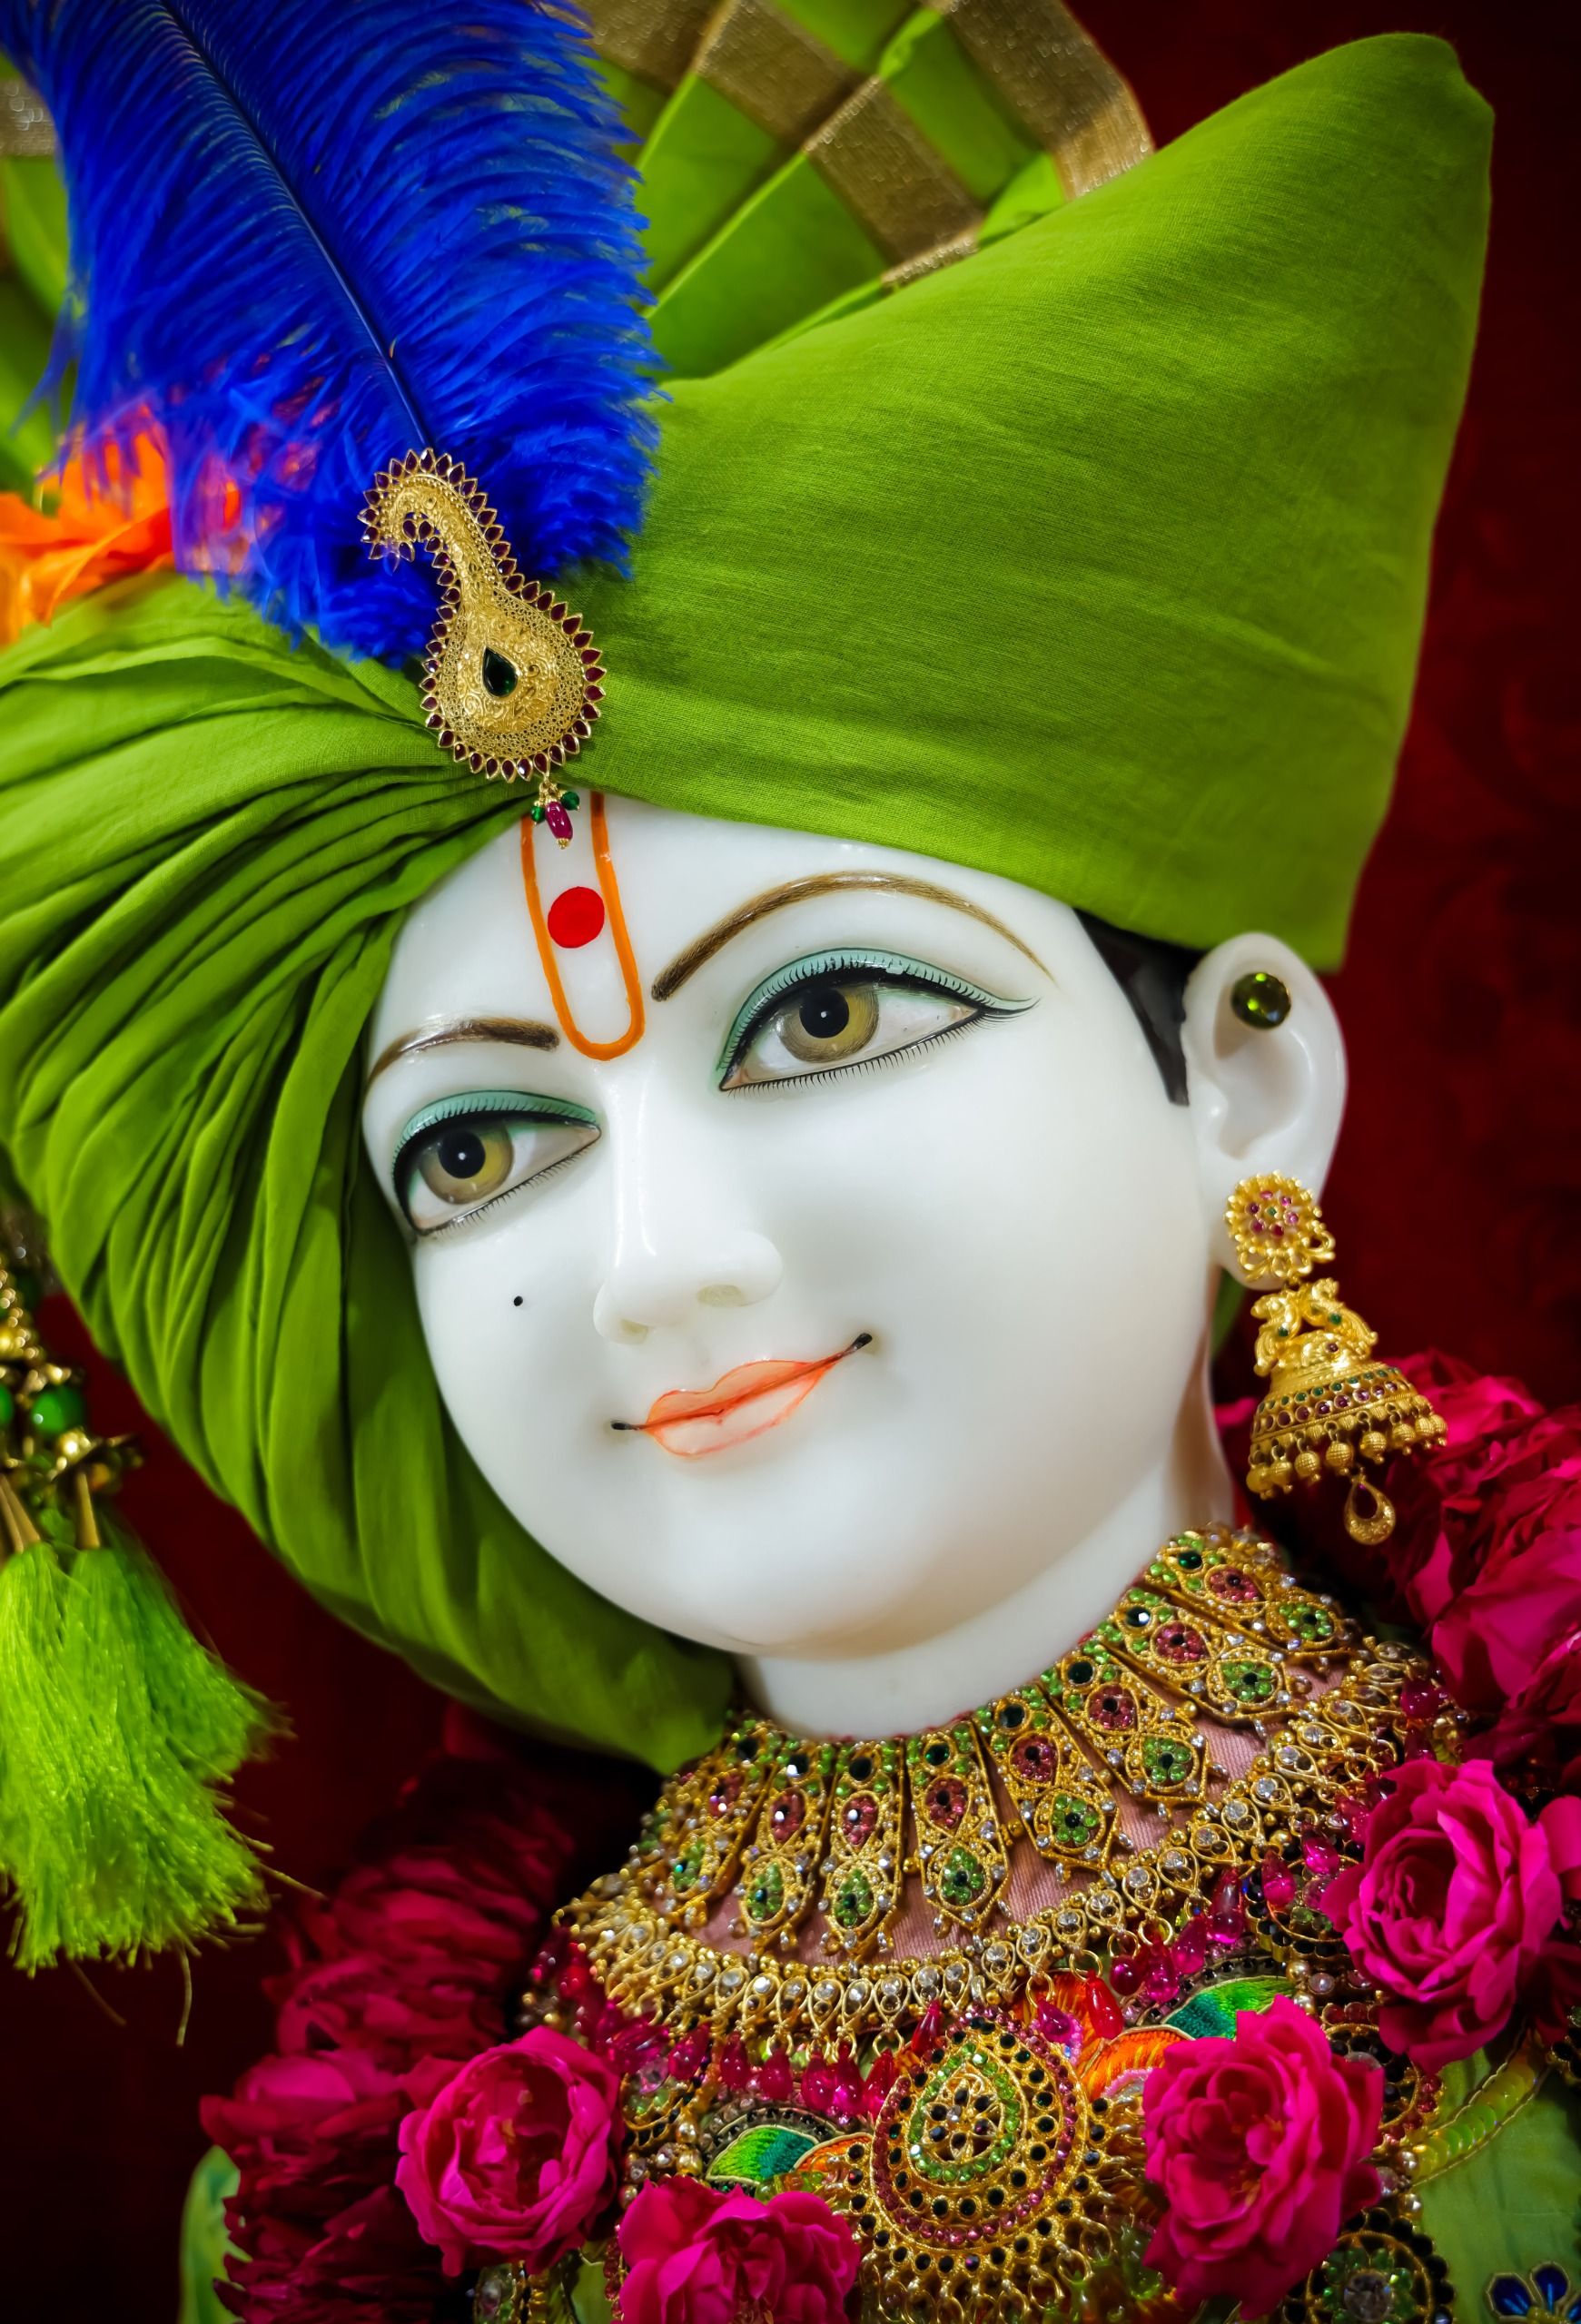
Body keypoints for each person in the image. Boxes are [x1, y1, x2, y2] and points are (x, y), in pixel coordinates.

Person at [1, 5, 1576, 2318]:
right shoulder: (371, 2194)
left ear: (1239, 1079)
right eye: (480, 1144)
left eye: (824, 1015)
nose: (652, 1264)